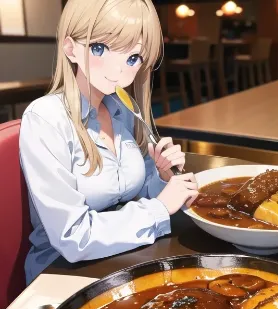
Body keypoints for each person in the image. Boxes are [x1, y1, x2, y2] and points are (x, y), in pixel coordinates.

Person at [19, 0, 198, 284]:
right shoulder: (46, 119)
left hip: (122, 258)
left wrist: (163, 178)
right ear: (71, 48)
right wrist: (160, 209)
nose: (118, 70)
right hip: (61, 272)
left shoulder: (123, 111)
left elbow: (133, 194)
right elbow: (72, 237)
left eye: (133, 58)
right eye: (100, 48)